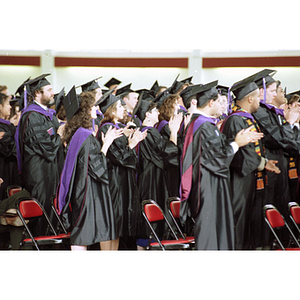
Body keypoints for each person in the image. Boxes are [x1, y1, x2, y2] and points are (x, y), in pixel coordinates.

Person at [180, 80, 263, 250]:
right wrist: (236, 144)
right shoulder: (204, 126)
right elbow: (216, 159)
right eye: (219, 101)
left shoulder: (205, 124)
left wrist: (235, 140)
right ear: (211, 103)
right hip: (208, 186)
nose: (223, 104)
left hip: (210, 184)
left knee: (216, 231)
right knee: (211, 234)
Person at [56, 87, 122, 250]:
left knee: (82, 235)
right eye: (92, 107)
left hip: (82, 192)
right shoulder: (86, 137)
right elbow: (97, 167)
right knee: (83, 234)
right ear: (84, 111)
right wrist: (106, 144)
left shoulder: (78, 134)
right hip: (88, 193)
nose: (96, 109)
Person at [221, 76, 280, 249]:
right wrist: (262, 163)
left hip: (249, 181)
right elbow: (239, 155)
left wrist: (264, 161)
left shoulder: (246, 118)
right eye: (257, 97)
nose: (260, 101)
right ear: (250, 98)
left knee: (248, 226)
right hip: (239, 183)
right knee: (239, 226)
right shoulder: (235, 120)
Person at [251, 70, 300, 245]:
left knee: (281, 208)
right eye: (272, 90)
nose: (275, 94)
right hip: (271, 168)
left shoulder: (270, 111)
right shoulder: (261, 113)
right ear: (260, 91)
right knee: (271, 209)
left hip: (280, 167)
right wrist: (290, 124)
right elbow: (278, 139)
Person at [15, 74, 65, 236]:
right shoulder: (32, 117)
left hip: (50, 174)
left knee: (52, 218)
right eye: (49, 90)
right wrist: (60, 135)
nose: (53, 93)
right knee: (42, 220)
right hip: (39, 177)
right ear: (37, 93)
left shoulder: (46, 115)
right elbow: (47, 148)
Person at [97, 90, 147, 250]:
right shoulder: (107, 129)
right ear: (111, 110)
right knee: (111, 224)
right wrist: (131, 144)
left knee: (117, 227)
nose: (124, 109)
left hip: (120, 182)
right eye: (119, 106)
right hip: (114, 183)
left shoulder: (116, 128)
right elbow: (118, 157)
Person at [135, 100, 182, 249]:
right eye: (155, 111)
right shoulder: (151, 132)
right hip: (153, 181)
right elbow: (167, 154)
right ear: (147, 114)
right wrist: (174, 131)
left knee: (147, 226)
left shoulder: (143, 130)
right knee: (152, 227)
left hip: (146, 179)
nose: (158, 113)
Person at [156, 94, 182, 198]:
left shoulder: (165, 123)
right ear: (169, 106)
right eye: (176, 104)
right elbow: (171, 150)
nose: (179, 107)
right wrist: (174, 131)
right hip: (169, 168)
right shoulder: (165, 125)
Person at [0, 93, 21, 200]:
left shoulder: (8, 126)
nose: (10, 107)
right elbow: (10, 150)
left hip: (13, 173)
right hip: (4, 174)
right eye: (8, 104)